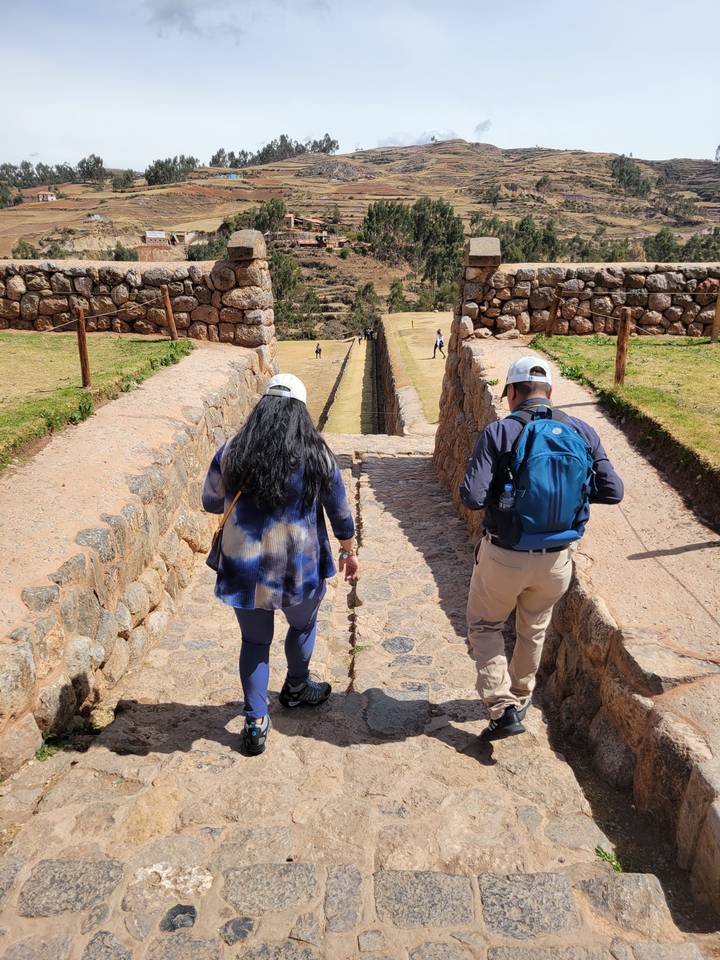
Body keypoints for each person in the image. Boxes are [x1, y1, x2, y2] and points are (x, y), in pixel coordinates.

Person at [459, 355, 623, 742]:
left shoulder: (500, 433)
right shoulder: (582, 431)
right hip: (556, 560)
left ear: (512, 393)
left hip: (505, 554)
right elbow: (612, 491)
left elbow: (471, 496)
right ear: (550, 392)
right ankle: (521, 696)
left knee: (484, 625)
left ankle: (501, 708)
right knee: (533, 628)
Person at [202, 373, 359, 756]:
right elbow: (339, 511)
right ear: (301, 412)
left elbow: (210, 501)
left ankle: (255, 721)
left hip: (244, 568)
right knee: (303, 625)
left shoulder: (232, 449)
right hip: (298, 568)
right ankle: (297, 685)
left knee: (255, 641)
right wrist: (347, 549)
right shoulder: (315, 452)